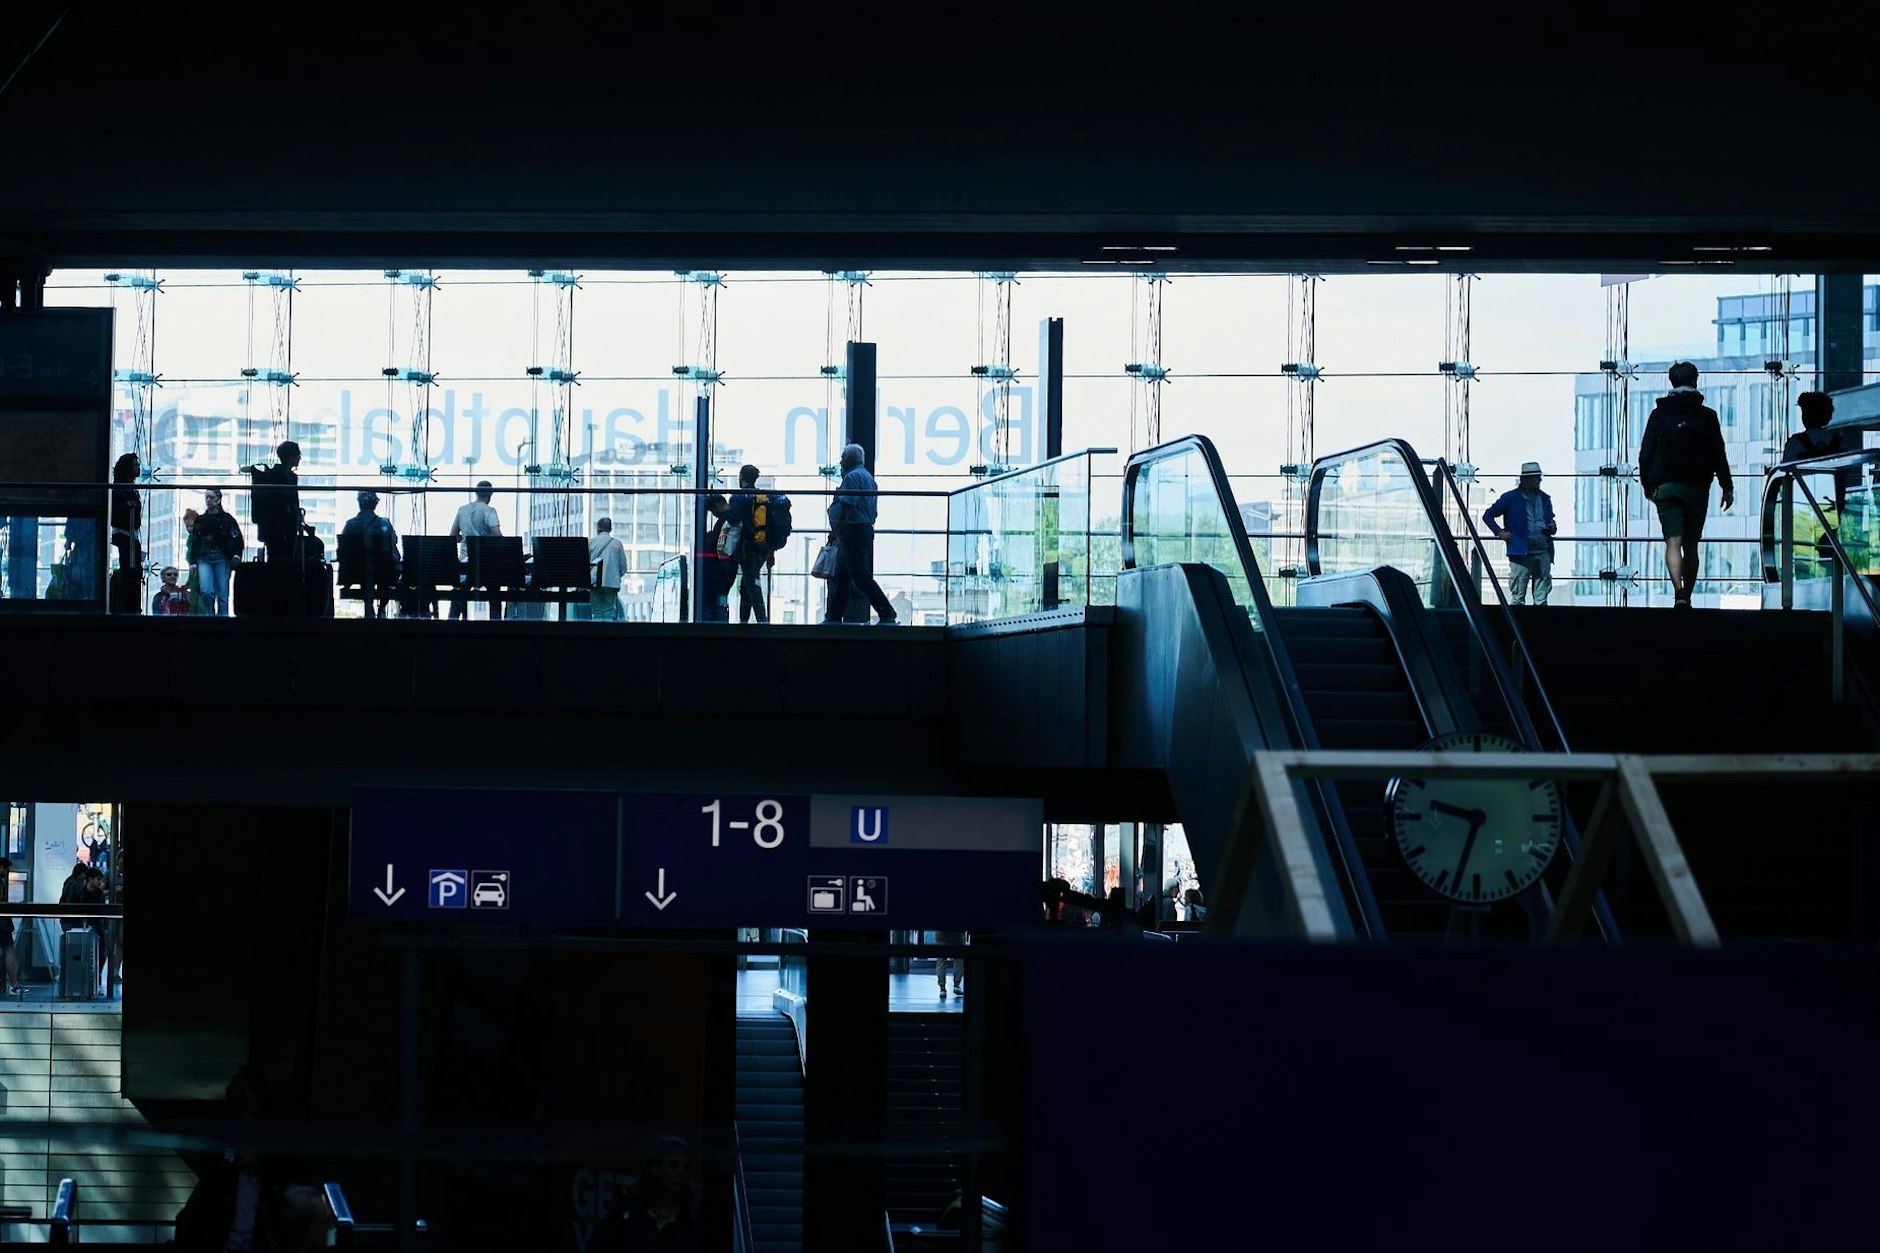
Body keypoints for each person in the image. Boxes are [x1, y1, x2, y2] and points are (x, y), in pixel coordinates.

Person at [1638, 361, 1733, 609]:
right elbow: (1718, 453)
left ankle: (1677, 591)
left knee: (1673, 542)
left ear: (1671, 382)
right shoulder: (1707, 416)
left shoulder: (1659, 415)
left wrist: (1647, 485)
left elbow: (1645, 452)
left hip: (1665, 486)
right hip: (1696, 485)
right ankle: (1686, 596)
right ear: (1695, 380)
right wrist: (1727, 485)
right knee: (1691, 544)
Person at [822, 442, 898, 626]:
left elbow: (848, 505)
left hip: (852, 530)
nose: (840, 462)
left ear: (848, 459)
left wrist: (836, 530)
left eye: (842, 458)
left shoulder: (852, 477)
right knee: (842, 575)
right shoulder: (867, 477)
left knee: (858, 575)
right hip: (860, 530)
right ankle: (833, 616)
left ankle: (887, 611)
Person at [598, 1136, 704, 1253]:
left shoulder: (691, 1223)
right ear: (655, 1168)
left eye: (686, 1167)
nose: (680, 1173)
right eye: (673, 1165)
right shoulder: (627, 1214)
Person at [1482, 461, 1557, 605]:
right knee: (1518, 597)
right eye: (1537, 477)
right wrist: (1499, 532)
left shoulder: (1545, 499)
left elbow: (1551, 521)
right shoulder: (1510, 498)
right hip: (1522, 553)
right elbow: (1488, 516)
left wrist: (1551, 528)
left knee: (1539, 597)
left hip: (1540, 551)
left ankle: (1528, 626)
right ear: (1527, 479)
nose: (1540, 480)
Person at [720, 464, 773, 624]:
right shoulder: (762, 497)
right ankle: (744, 620)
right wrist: (771, 552)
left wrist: (724, 509)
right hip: (763, 547)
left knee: (752, 583)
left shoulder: (738, 497)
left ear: (741, 477)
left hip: (748, 547)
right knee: (746, 584)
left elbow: (734, 518)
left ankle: (762, 621)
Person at [337, 490, 401, 619]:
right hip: (383, 573)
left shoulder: (350, 525)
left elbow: (342, 551)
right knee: (385, 567)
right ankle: (382, 608)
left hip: (356, 573)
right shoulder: (384, 523)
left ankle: (368, 606)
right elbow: (393, 544)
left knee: (365, 567)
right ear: (375, 504)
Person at [449, 480, 504, 620]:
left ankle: (452, 621)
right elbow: (497, 535)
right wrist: (483, 539)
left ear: (476, 492)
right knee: (494, 590)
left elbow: (452, 537)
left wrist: (467, 538)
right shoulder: (489, 511)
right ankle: (496, 624)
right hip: (485, 565)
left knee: (460, 590)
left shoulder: (462, 510)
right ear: (490, 494)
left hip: (464, 564)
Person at [191, 487, 245, 616]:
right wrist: (193, 561)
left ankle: (221, 620)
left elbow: (237, 539)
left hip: (222, 557)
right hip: (205, 557)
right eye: (207, 498)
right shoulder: (202, 520)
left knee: (222, 593)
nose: (208, 501)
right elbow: (195, 542)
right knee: (207, 591)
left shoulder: (227, 519)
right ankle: (212, 618)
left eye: (211, 498)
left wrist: (236, 554)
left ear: (218, 499)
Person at [251, 440, 304, 559]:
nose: (299, 458)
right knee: (278, 558)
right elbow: (274, 502)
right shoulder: (274, 476)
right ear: (291, 457)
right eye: (298, 455)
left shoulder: (290, 476)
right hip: (276, 526)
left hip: (287, 525)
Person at [109, 452, 144, 613]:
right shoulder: (120, 489)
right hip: (125, 534)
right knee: (130, 571)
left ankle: (132, 604)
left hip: (130, 534)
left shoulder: (129, 487)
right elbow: (117, 515)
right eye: (135, 465)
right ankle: (129, 605)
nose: (138, 468)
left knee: (135, 570)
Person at [697, 494, 736, 623]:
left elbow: (715, 543)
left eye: (713, 510)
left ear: (719, 504)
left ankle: (716, 625)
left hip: (719, 570)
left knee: (716, 602)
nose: (713, 514)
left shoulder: (726, 519)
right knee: (720, 600)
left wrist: (708, 538)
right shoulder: (731, 517)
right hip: (727, 568)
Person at [587, 517, 627, 621]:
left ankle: (597, 634)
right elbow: (623, 567)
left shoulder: (591, 542)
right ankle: (606, 633)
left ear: (598, 528)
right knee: (609, 611)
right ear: (610, 529)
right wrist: (615, 576)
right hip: (611, 583)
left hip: (594, 583)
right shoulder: (617, 544)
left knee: (596, 611)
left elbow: (585, 563)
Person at [0, 857, 17, 996]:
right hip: (2, 925)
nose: (7, 872)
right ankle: (14, 985)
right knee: (9, 951)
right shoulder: (0, 883)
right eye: (6, 868)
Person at [933, 930, 967, 999]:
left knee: (941, 961)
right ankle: (956, 985)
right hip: (957, 934)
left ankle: (942, 989)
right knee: (959, 959)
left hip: (941, 934)